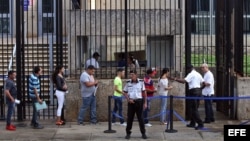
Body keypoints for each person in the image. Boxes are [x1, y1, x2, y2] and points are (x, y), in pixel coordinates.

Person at [173, 64, 204, 130]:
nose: (187, 71)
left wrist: (175, 79)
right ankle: (192, 123)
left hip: (193, 92)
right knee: (195, 108)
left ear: (189, 69)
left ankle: (200, 123)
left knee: (193, 109)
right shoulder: (198, 74)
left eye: (187, 70)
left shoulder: (191, 74)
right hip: (198, 91)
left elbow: (184, 81)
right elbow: (204, 83)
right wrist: (200, 89)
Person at [123, 70, 147, 139]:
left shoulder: (141, 82)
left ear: (136, 75)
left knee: (141, 119)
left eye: (133, 74)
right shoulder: (128, 83)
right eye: (130, 75)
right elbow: (124, 92)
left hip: (139, 101)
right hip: (131, 102)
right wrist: (128, 99)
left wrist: (145, 103)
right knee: (130, 118)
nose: (131, 76)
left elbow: (144, 93)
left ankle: (143, 133)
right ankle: (128, 133)